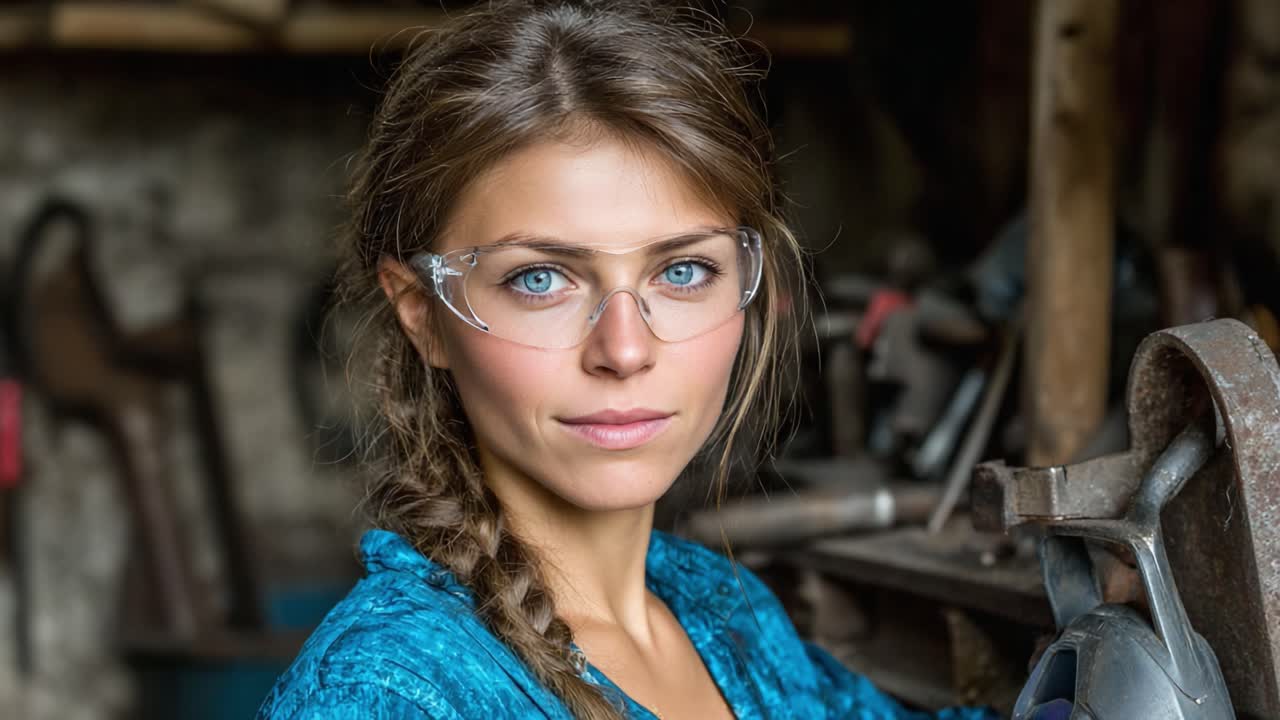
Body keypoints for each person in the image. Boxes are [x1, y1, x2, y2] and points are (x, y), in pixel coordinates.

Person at [257, 1, 997, 718]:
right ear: (423, 314)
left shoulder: (725, 616)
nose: (625, 350)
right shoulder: (384, 695)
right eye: (539, 279)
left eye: (682, 272)